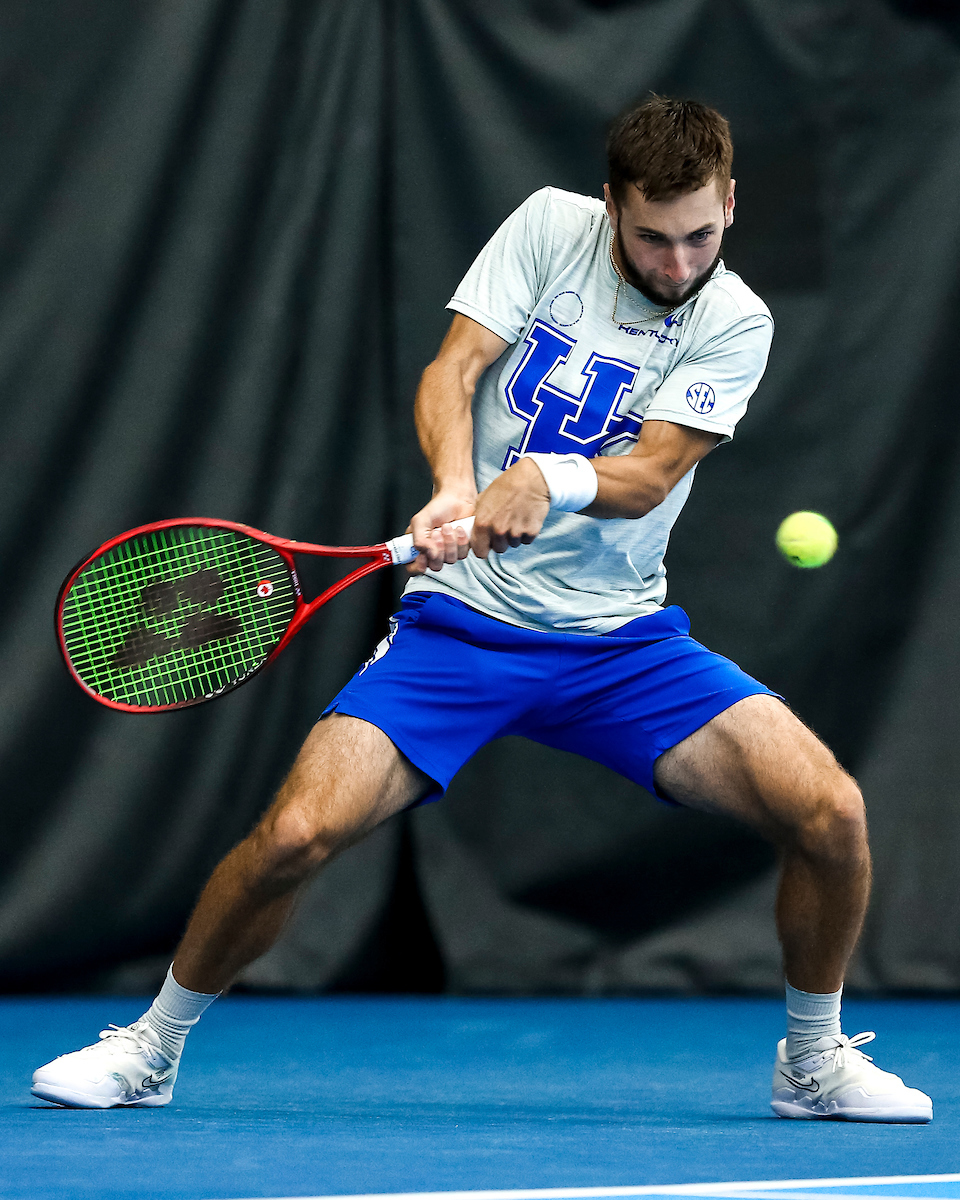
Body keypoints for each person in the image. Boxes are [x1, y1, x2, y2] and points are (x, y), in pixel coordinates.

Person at [32, 96, 931, 1122]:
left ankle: (811, 1064)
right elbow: (453, 370)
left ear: (731, 203)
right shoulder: (550, 228)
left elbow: (650, 473)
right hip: (460, 623)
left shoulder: (737, 321)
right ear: (608, 208)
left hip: (620, 645)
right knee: (291, 837)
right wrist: (456, 487)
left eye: (702, 236)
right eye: (651, 237)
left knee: (831, 814)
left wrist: (548, 481)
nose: (678, 263)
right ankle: (149, 1048)